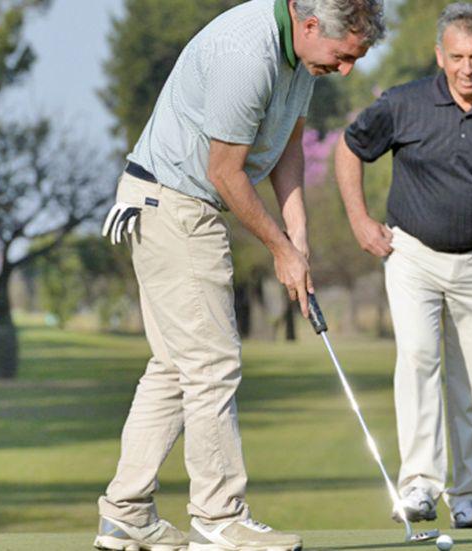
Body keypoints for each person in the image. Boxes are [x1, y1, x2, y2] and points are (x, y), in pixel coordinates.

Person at [95, 1, 384, 550]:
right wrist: (277, 247)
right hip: (174, 204)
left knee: (176, 367)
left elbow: (287, 146)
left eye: (356, 60)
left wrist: (298, 236)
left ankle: (125, 512)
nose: (347, 70)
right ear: (309, 24)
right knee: (212, 365)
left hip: (174, 201)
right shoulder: (245, 53)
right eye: (344, 57)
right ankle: (218, 518)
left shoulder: (301, 59)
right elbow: (225, 173)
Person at [334, 2, 472, 530]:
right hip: (411, 254)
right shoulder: (403, 104)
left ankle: (470, 495)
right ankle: (418, 487)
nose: (467, 68)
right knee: (417, 359)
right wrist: (360, 221)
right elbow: (349, 150)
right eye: (457, 56)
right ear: (440, 55)